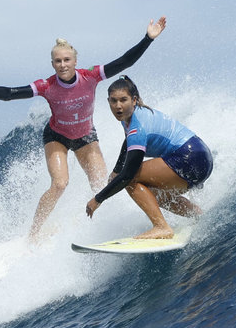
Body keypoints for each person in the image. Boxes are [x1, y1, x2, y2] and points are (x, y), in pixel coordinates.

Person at [0, 17, 167, 242]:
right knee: (59, 183)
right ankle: (33, 234)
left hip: (85, 136)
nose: (63, 64)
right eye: (58, 61)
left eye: (67, 60)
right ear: (52, 64)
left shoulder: (91, 76)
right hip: (57, 136)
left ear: (76, 61)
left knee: (102, 186)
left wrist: (148, 39)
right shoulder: (46, 86)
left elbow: (125, 61)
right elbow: (10, 94)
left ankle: (98, 227)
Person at [85, 76, 213, 239]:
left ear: (134, 100)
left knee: (130, 180)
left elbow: (128, 175)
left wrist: (98, 199)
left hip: (188, 158)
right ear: (108, 101)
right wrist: (116, 170)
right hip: (202, 157)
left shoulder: (138, 128)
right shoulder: (131, 115)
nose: (118, 106)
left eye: (123, 100)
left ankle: (161, 227)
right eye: (113, 101)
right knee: (151, 194)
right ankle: (197, 214)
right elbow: (127, 143)